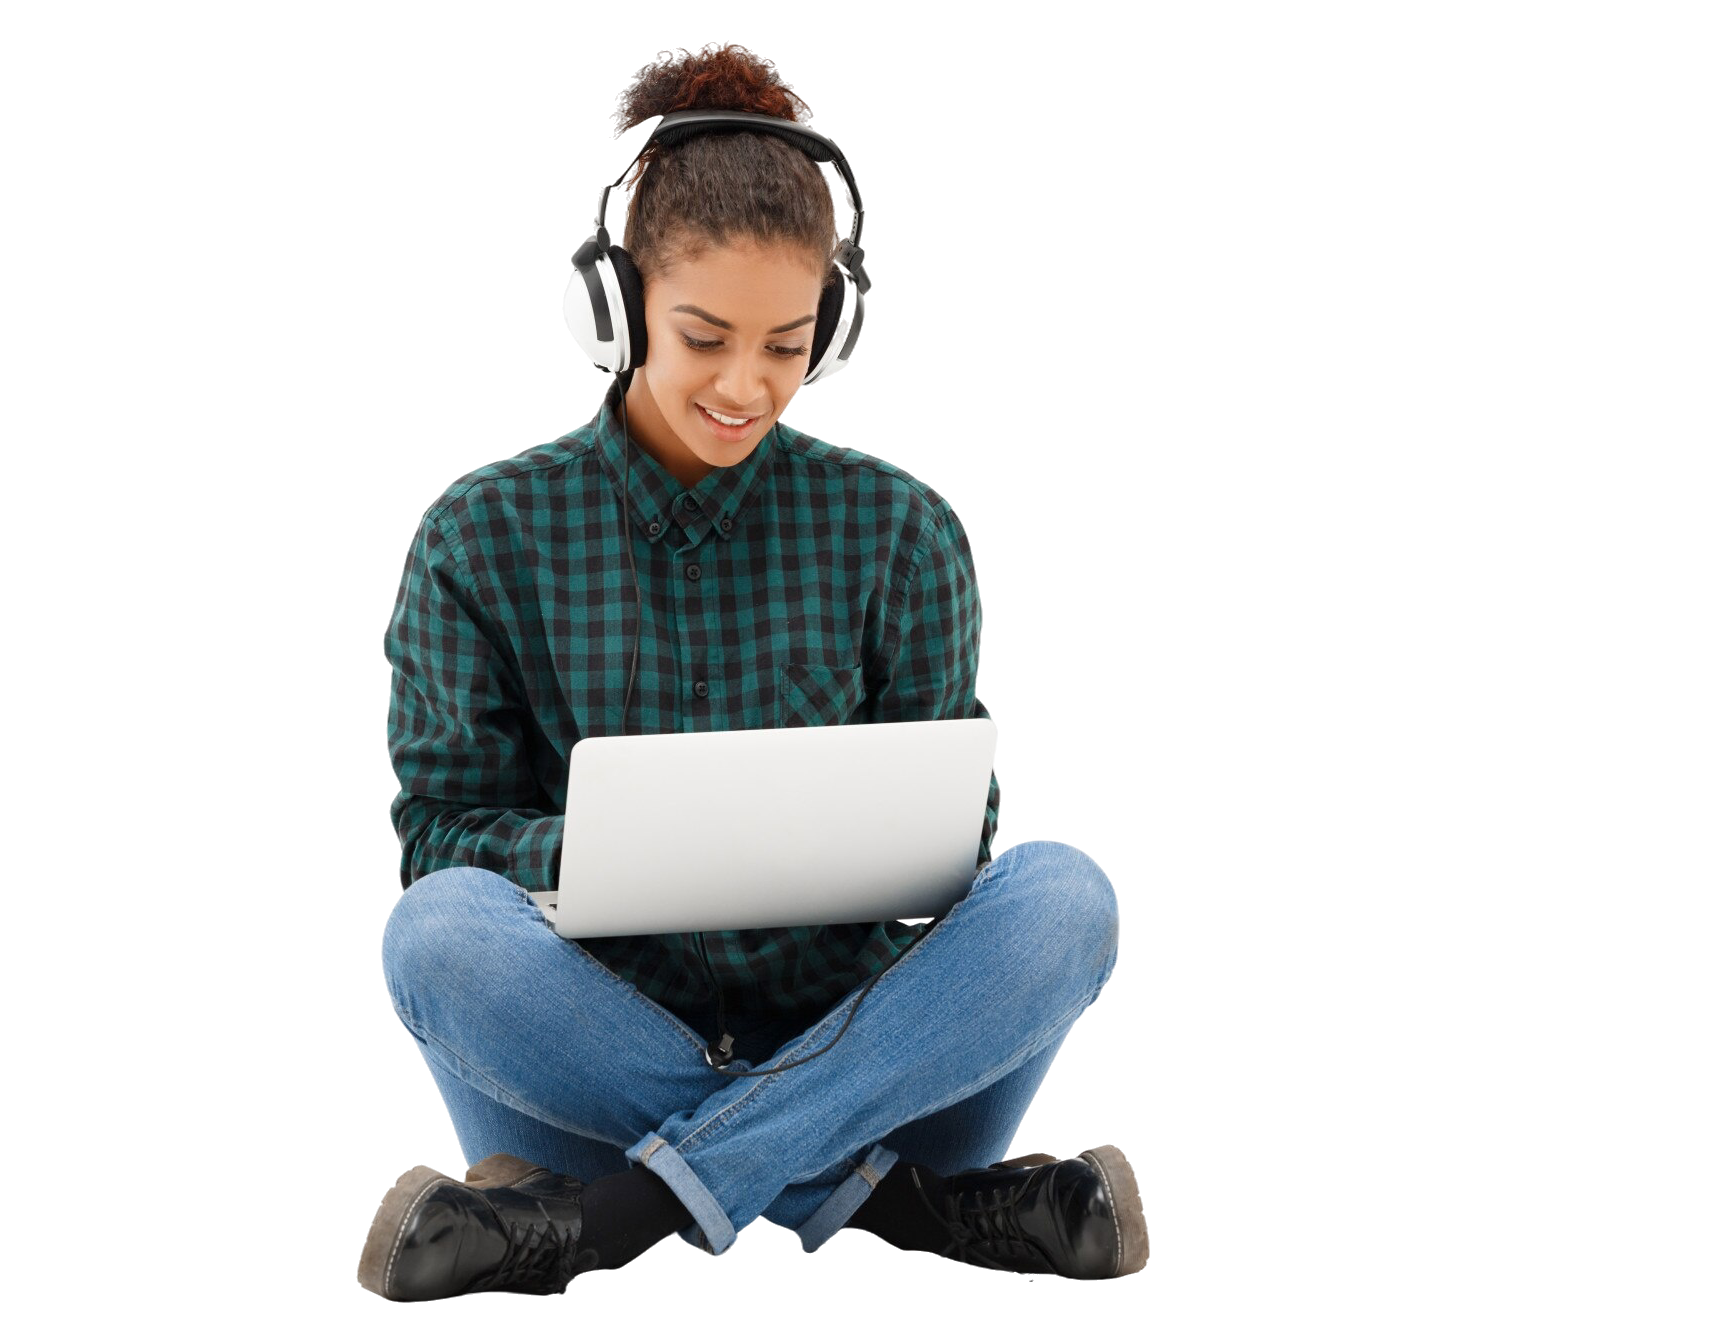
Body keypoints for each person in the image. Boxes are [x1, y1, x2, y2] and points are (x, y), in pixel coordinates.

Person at [356, 44, 1153, 1304]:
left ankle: (618, 1225)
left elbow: (966, 834)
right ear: (608, 313)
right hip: (589, 1088)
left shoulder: (906, 525)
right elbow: (433, 834)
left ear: (835, 329)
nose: (745, 387)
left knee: (1071, 895)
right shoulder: (475, 531)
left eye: (786, 346)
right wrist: (606, 856)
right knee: (434, 935)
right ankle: (897, 1213)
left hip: (884, 1070)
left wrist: (894, 866)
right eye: (703, 337)